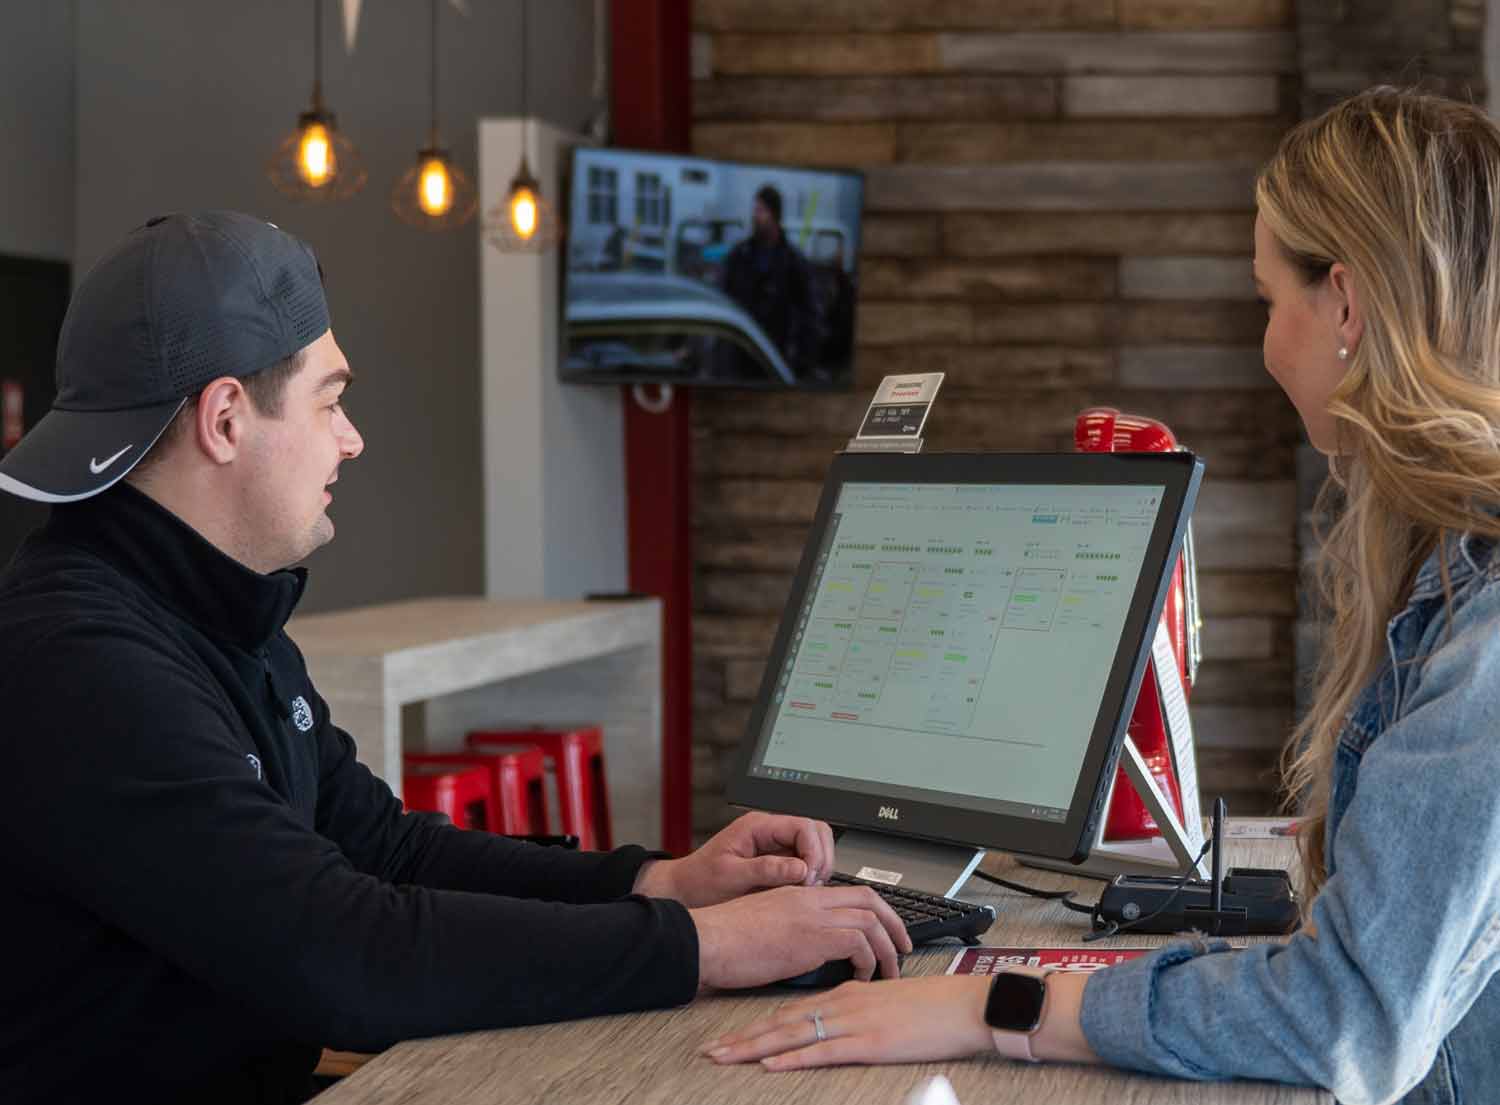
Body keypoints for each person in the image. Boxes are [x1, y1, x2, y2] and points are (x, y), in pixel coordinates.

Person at [0, 211, 910, 1105]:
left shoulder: (213, 605)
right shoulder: (80, 662)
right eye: (330, 400)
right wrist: (707, 947)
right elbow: (341, 951)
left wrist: (660, 881)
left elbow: (386, 849)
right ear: (227, 419)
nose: (351, 437)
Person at [703, 87, 1500, 1105]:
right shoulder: (1441, 575)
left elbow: (1345, 1014)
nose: (1266, 345)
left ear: (1344, 303)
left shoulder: (1483, 628)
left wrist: (996, 1006)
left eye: (1268, 302)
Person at [721, 184, 820, 379]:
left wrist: (802, 362)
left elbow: (809, 315)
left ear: (774, 215)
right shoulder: (740, 256)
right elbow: (725, 298)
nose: (755, 216)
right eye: (755, 210)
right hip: (742, 356)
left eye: (760, 211)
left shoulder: (793, 262)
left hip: (778, 358)